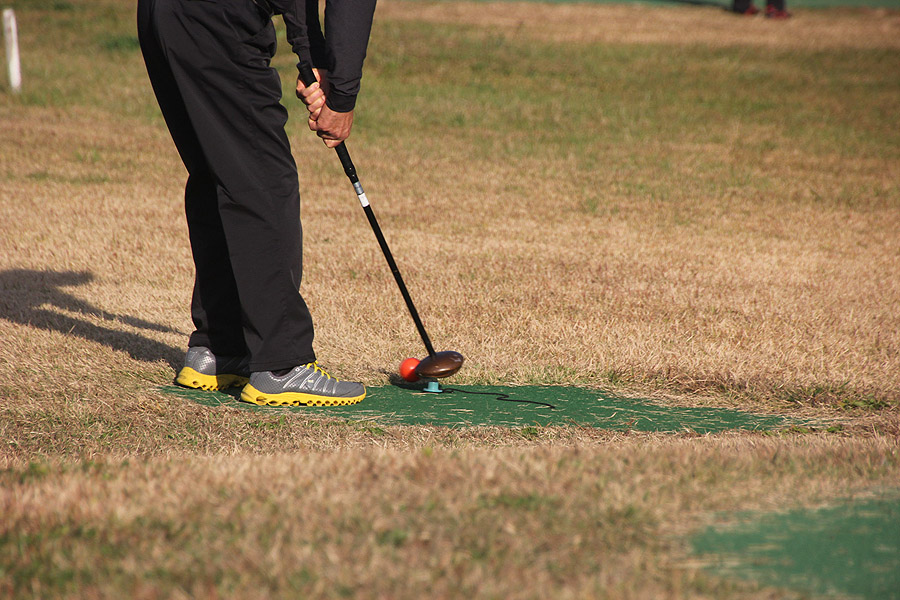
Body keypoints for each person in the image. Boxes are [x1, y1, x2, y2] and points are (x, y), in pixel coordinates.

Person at [137, 0, 377, 406]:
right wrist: (342, 95)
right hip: (220, 21)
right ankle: (282, 364)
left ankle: (220, 348)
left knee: (220, 172)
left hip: (164, 14)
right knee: (263, 180)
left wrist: (312, 57)